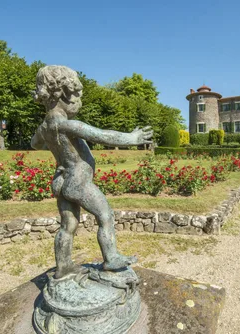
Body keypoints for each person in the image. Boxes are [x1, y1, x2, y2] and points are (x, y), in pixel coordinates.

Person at [31, 65, 153, 279]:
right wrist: (132, 138)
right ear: (63, 95)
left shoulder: (45, 127)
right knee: (105, 215)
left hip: (60, 179)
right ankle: (111, 257)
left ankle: (64, 266)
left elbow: (34, 144)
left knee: (67, 226)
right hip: (78, 179)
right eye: (78, 96)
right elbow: (102, 135)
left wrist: (56, 145)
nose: (80, 101)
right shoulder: (67, 124)